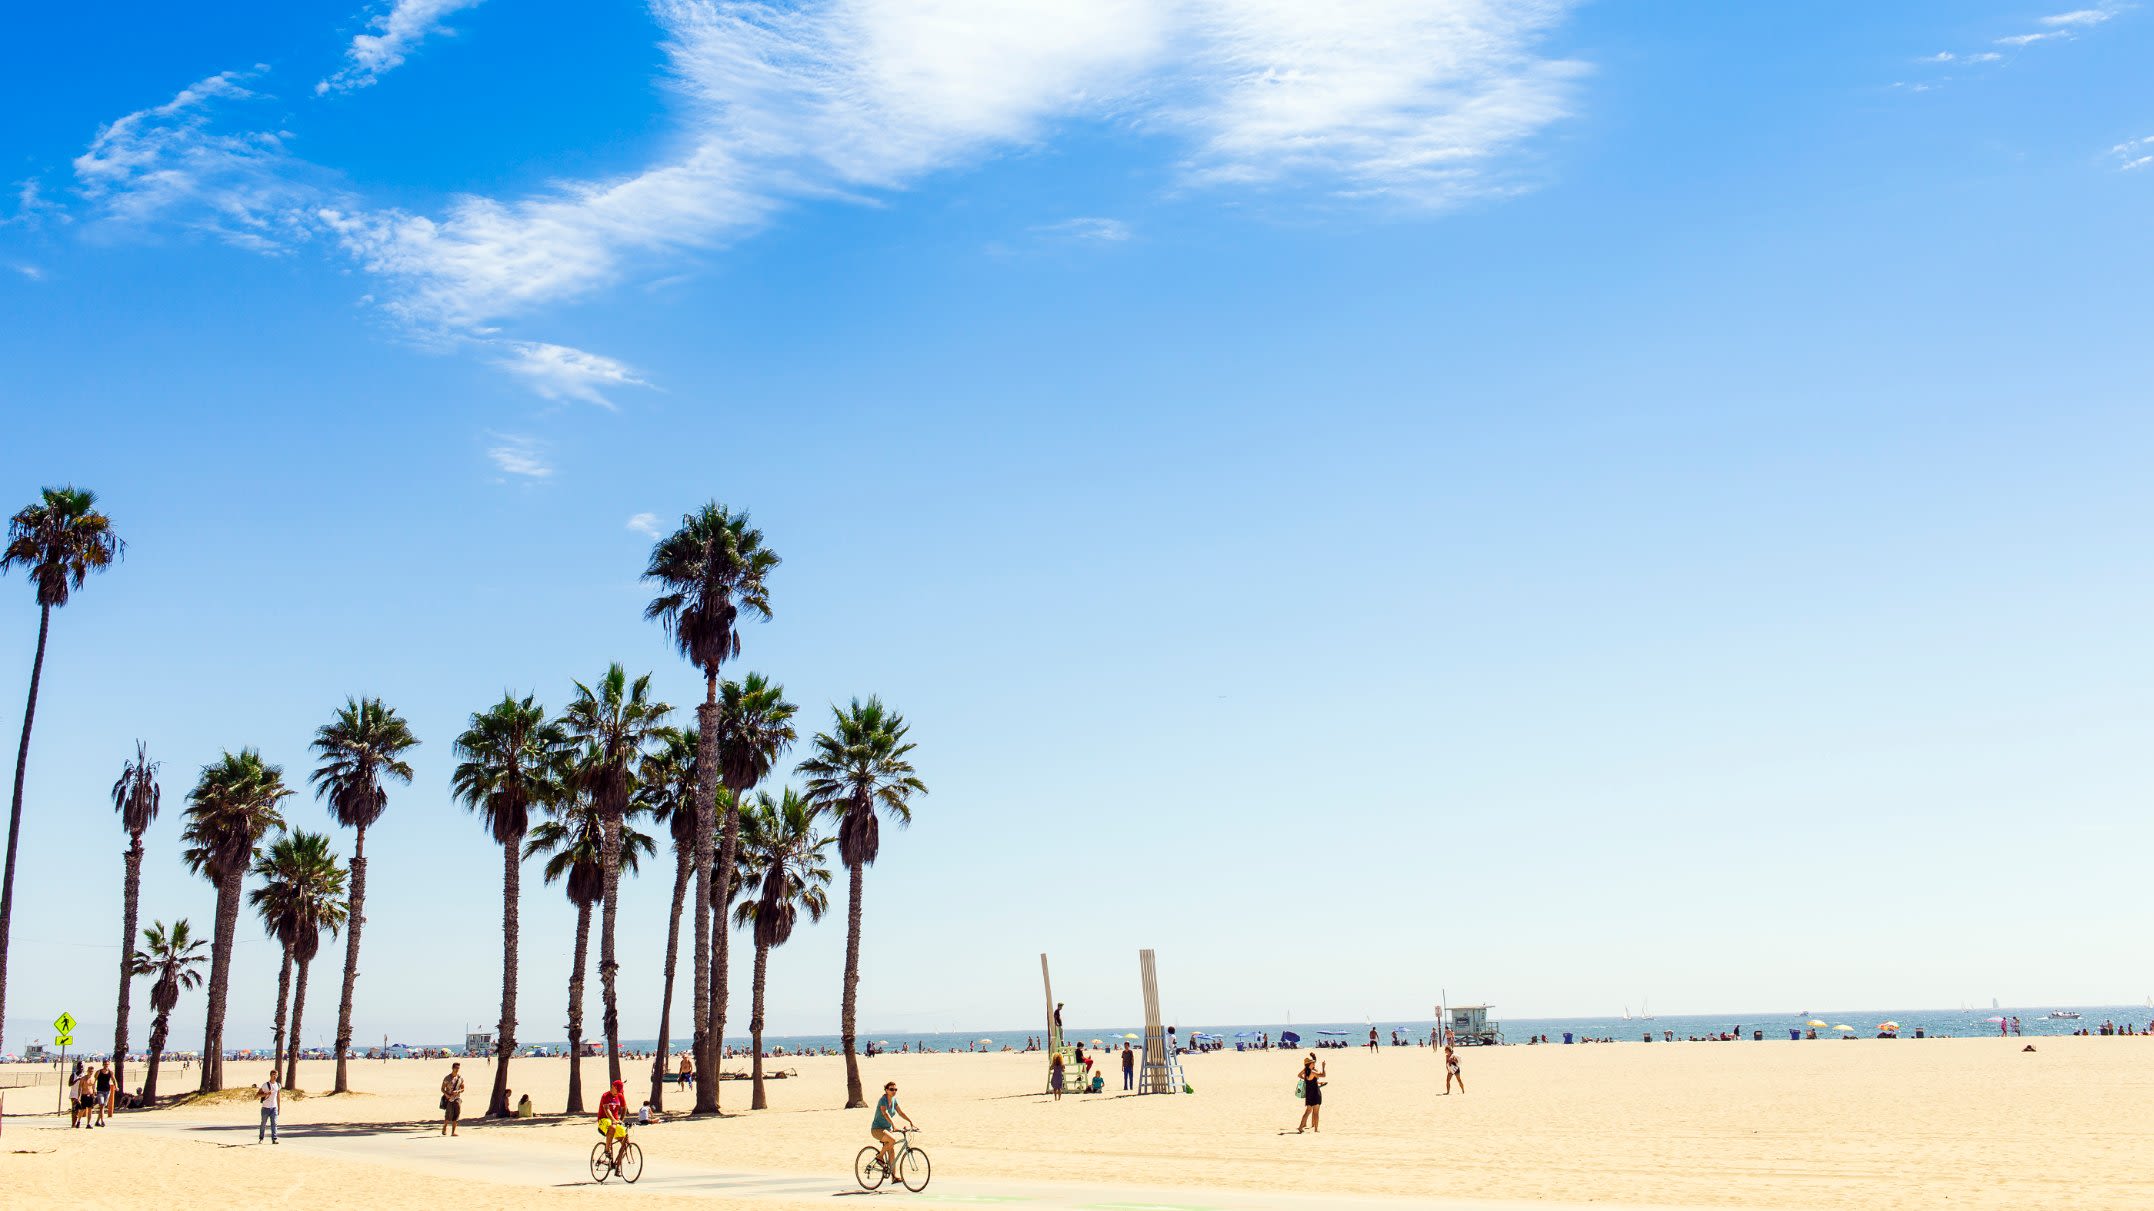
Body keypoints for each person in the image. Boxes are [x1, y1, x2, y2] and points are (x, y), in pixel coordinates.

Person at [871, 1080, 916, 1174]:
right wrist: (893, 1125)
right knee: (893, 1140)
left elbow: (900, 1112)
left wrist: (910, 1121)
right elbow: (885, 1113)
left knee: (892, 1153)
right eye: (891, 1089)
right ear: (886, 1090)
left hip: (887, 1130)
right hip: (877, 1129)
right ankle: (879, 1157)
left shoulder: (894, 1100)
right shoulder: (883, 1100)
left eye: (896, 1089)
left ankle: (894, 1177)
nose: (894, 1091)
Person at [596, 1078, 630, 1172]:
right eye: (617, 1090)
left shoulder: (620, 1096)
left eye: (620, 1091)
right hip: (604, 1120)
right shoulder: (605, 1095)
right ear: (613, 1087)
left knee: (625, 1142)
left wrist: (621, 1120)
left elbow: (624, 1108)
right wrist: (614, 1120)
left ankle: (617, 1166)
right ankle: (607, 1150)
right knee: (612, 1127)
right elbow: (607, 1110)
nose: (618, 1092)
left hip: (615, 1120)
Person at [1296, 1054, 1325, 1133]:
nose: (1314, 1063)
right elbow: (1323, 1075)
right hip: (1315, 1093)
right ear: (1310, 1064)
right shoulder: (1312, 1072)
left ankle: (1300, 1127)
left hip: (1309, 1093)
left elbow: (1299, 1075)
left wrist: (1306, 1080)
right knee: (1316, 1112)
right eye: (1313, 1063)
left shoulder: (1305, 1070)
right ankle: (1316, 1129)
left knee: (1308, 1111)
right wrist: (1323, 1066)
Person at [440, 1062, 466, 1136]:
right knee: (448, 1114)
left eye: (458, 1068)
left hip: (457, 1098)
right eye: (456, 1068)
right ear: (452, 1068)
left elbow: (463, 1088)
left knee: (457, 1114)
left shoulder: (460, 1078)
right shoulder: (447, 1078)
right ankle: (444, 1127)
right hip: (449, 1098)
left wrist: (458, 1091)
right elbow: (442, 1088)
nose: (457, 1069)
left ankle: (453, 1132)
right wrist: (446, 1095)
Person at [257, 1069, 281, 1144]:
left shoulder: (278, 1085)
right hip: (265, 1108)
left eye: (276, 1075)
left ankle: (274, 1139)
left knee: (274, 1123)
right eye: (273, 1075)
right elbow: (257, 1095)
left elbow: (278, 1096)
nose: (275, 1076)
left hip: (274, 1107)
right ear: (270, 1075)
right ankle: (261, 1138)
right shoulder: (265, 1085)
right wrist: (266, 1094)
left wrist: (279, 1108)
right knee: (263, 1123)